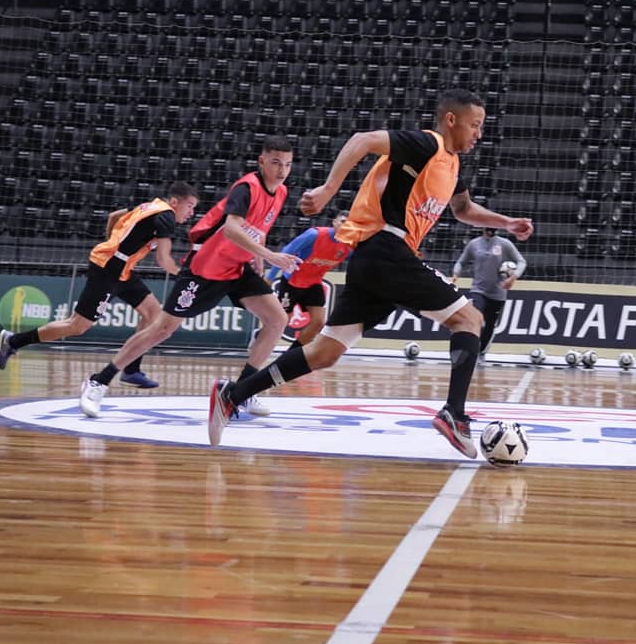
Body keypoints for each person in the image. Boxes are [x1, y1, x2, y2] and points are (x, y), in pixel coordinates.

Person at [207, 89, 535, 455]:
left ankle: (233, 394)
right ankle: (453, 414)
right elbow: (363, 140)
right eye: (475, 125)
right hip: (386, 249)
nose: (479, 134)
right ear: (451, 120)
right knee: (469, 320)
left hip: (375, 260)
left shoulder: (452, 164)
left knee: (323, 353)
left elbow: (463, 209)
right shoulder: (426, 144)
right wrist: (329, 189)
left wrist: (506, 223)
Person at [78, 135, 302, 417]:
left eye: (288, 164)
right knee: (162, 329)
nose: (282, 170)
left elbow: (256, 227)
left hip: (237, 269)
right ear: (261, 161)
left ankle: (243, 391)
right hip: (205, 270)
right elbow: (233, 229)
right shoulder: (246, 188)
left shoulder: (280, 192)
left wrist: (256, 256)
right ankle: (99, 381)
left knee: (277, 319)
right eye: (276, 163)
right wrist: (271, 256)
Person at [0, 181, 199, 388]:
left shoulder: (149, 206)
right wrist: (187, 276)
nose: (192, 213)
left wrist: (112, 243)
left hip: (122, 268)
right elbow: (164, 260)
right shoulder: (166, 217)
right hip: (108, 269)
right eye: (190, 206)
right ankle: (14, 341)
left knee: (153, 315)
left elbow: (114, 217)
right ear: (174, 202)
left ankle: (131, 370)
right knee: (77, 326)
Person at [264, 209, 352, 349]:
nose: (345, 226)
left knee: (318, 322)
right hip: (292, 281)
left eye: (350, 224)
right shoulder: (314, 234)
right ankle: (262, 342)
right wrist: (270, 277)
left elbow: (360, 261)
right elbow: (287, 251)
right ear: (334, 222)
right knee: (281, 321)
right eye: (342, 222)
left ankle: (293, 353)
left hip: (313, 284)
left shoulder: (349, 246)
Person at [451, 226, 526, 361]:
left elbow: (521, 261)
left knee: (490, 325)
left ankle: (481, 352)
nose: (491, 228)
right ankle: (468, 349)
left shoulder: (504, 244)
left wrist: (513, 277)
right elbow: (461, 262)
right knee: (474, 318)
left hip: (498, 293)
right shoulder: (474, 244)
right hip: (478, 290)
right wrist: (456, 273)